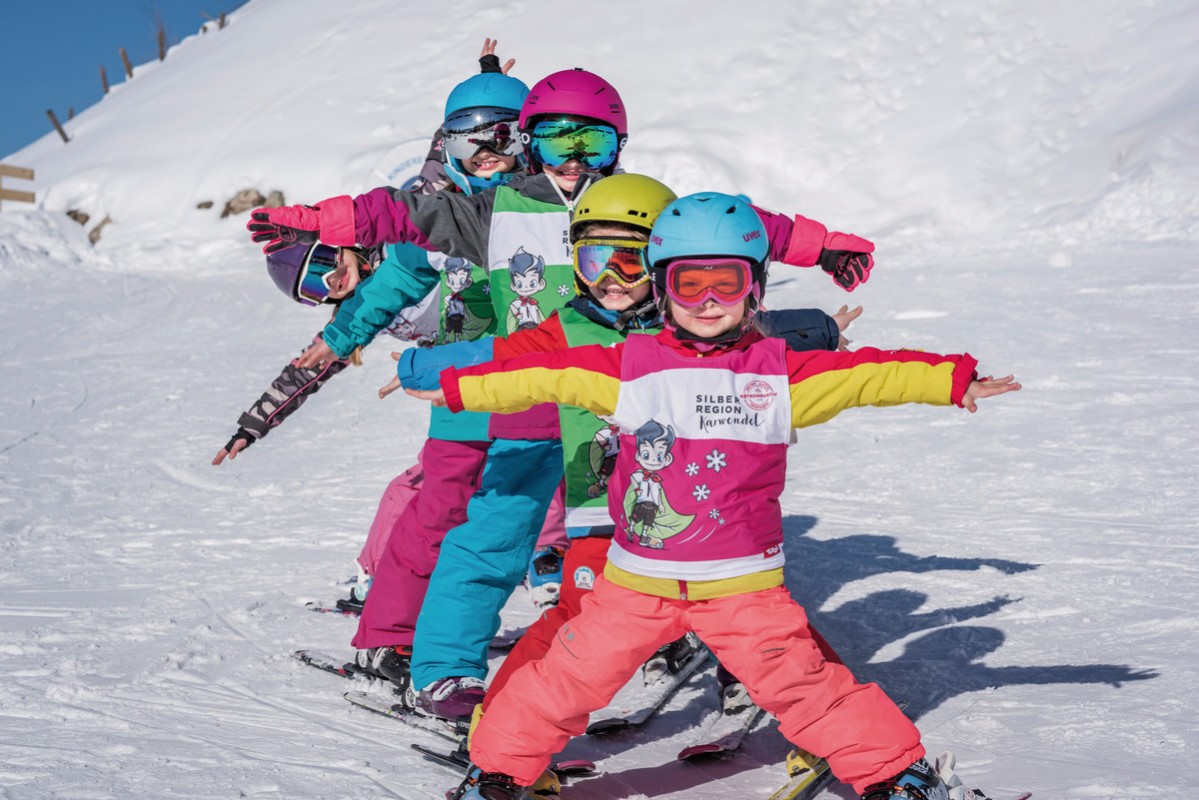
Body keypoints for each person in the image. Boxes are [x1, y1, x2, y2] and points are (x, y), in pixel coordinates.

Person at [246, 67, 877, 721]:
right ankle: (442, 673)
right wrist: (318, 221)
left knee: (689, 527)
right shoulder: (493, 207)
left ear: (618, 148)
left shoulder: (637, 202)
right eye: (555, 143)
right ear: (528, 143)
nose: (574, 163)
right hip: (529, 394)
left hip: (623, 397)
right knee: (490, 534)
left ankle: (742, 663)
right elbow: (399, 213)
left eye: (592, 146)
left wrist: (820, 246)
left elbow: (728, 222)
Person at [408, 192, 1020, 800]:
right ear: (661, 285)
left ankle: (898, 776)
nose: (705, 302)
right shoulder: (629, 366)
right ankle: (500, 774)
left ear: (754, 288)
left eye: (724, 284)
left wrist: (950, 379)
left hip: (744, 588)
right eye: (687, 283)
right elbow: (546, 371)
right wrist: (462, 388)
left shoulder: (778, 374)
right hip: (635, 584)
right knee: (567, 679)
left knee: (806, 686)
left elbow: (868, 375)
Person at [387, 174, 857, 727]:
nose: (610, 280)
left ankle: (818, 714)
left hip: (707, 518)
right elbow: (503, 355)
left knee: (761, 621)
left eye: (628, 264)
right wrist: (423, 365)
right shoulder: (571, 328)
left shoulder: (691, 325)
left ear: (660, 267)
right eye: (593, 262)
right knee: (576, 616)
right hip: (602, 510)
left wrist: (820, 328)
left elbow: (758, 332)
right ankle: (503, 719)